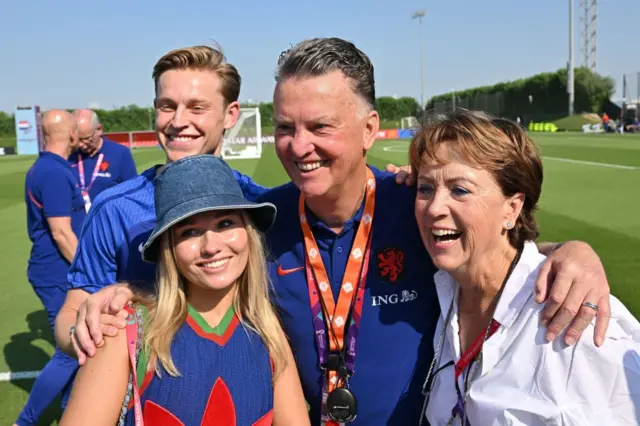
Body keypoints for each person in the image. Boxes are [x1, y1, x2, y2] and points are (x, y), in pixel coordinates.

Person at [68, 38, 612, 426]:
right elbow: (180, 278)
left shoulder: (418, 208)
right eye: (285, 127)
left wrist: (572, 253)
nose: (298, 146)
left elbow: (495, 254)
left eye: (320, 126)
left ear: (370, 128)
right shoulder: (259, 220)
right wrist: (118, 295)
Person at [412, 111, 640, 425]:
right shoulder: (447, 289)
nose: (434, 207)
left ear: (512, 208)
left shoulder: (577, 322)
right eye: (425, 188)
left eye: (460, 190)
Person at [59, 155, 309, 425]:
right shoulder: (127, 332)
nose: (211, 245)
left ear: (249, 232)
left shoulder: (270, 334)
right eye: (189, 232)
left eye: (225, 223)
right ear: (169, 250)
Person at [54, 44, 266, 356]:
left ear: (230, 114)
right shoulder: (114, 208)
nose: (178, 121)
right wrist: (84, 333)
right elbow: (71, 313)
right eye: (167, 106)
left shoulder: (257, 203)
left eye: (197, 108)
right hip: (148, 394)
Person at [18, 110, 85, 426]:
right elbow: (61, 232)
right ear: (71, 133)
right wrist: (90, 270)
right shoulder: (54, 173)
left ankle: (70, 414)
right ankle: (26, 421)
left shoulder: (48, 167)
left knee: (79, 349)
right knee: (69, 350)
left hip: (58, 271)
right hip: (58, 273)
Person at [68, 109, 138, 212]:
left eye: (86, 138)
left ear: (99, 129)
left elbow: (133, 194)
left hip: (110, 223)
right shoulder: (69, 156)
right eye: (77, 139)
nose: (80, 144)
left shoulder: (120, 153)